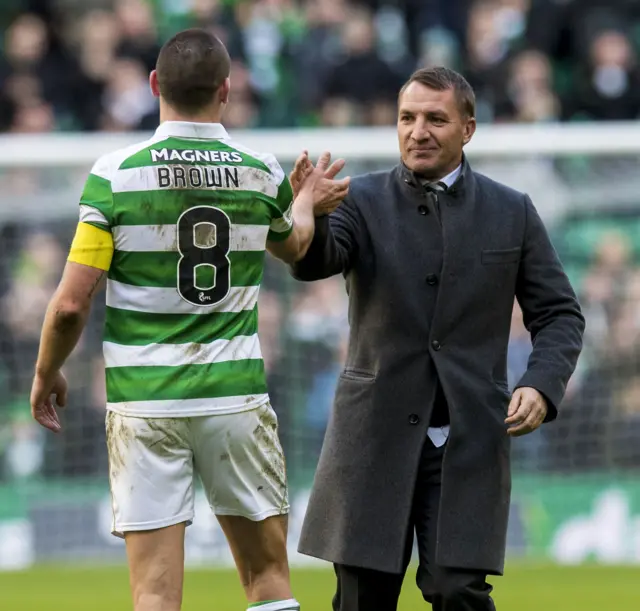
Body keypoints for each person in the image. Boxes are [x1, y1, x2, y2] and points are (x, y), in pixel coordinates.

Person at [28, 28, 349, 611]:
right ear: (226, 91)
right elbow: (297, 247)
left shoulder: (115, 174)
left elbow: (72, 303)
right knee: (269, 581)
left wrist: (47, 369)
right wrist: (304, 201)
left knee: (155, 594)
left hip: (146, 405)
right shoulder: (259, 171)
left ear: (155, 85)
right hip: (235, 398)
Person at [289, 67, 585, 610]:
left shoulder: (512, 210)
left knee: (458, 592)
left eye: (435, 119)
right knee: (362, 597)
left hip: (469, 438)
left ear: (467, 129)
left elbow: (561, 314)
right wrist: (302, 216)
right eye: (407, 118)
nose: (417, 131)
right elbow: (314, 260)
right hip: (372, 440)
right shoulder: (359, 201)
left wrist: (541, 385)